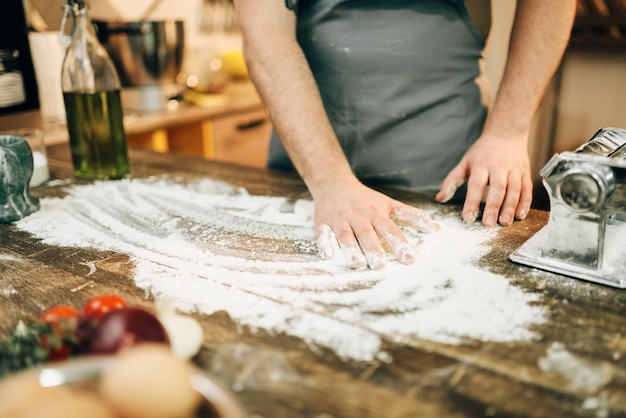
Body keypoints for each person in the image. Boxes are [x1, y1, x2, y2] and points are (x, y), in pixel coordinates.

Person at [232, 0, 576, 270]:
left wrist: (507, 131)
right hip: (307, 185)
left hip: (449, 187)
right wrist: (329, 181)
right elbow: (265, 26)